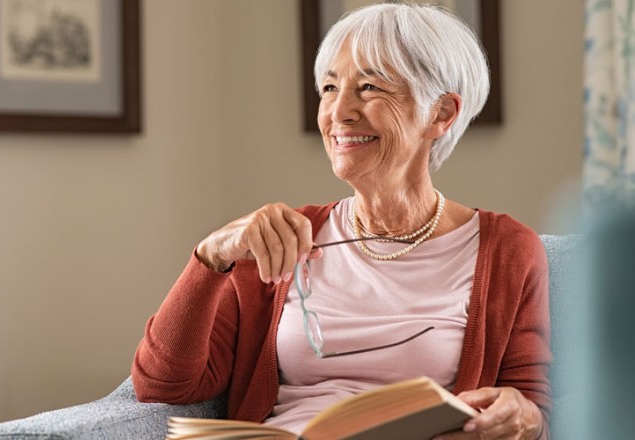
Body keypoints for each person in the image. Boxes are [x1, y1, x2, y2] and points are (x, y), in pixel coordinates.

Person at [132, 4, 551, 439]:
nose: (340, 112)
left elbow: (531, 405)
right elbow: (163, 385)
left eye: (369, 87)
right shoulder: (281, 240)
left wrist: (524, 416)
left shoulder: (506, 249)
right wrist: (210, 256)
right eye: (330, 87)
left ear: (441, 114)